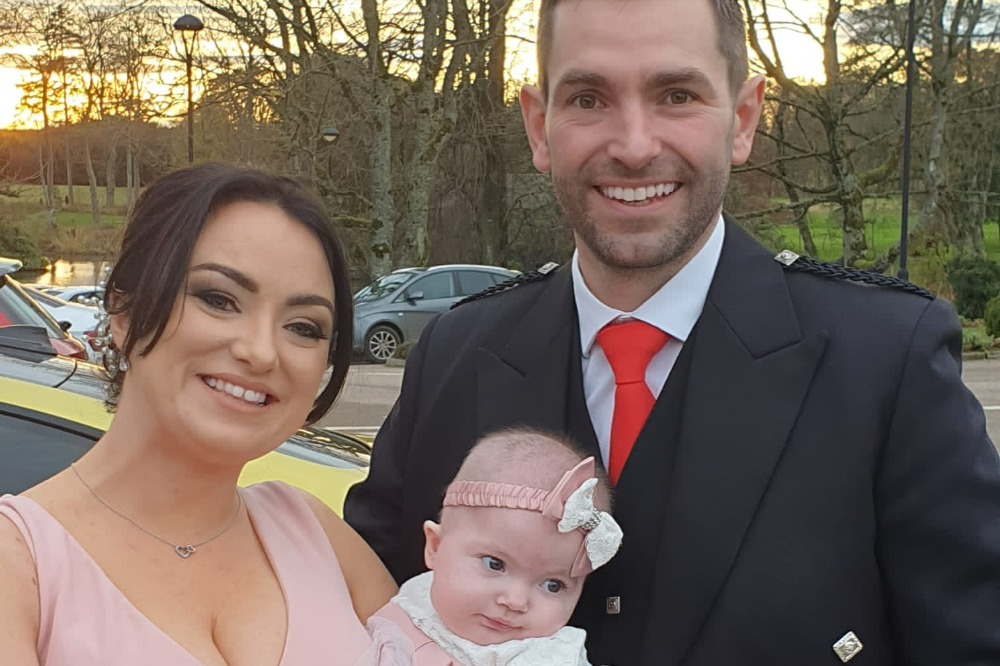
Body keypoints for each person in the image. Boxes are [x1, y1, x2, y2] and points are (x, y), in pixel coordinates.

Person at [343, 0, 1000, 663]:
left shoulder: (887, 363)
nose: (633, 146)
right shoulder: (453, 359)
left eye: (677, 95)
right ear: (539, 127)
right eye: (589, 97)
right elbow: (349, 616)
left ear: (742, 120)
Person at [0, 163, 397, 665]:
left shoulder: (315, 533)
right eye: (218, 299)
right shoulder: (19, 565)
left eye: (303, 327)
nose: (261, 352)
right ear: (122, 311)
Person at [363, 428, 622, 665]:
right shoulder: (406, 613)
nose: (515, 601)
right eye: (495, 564)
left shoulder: (548, 656)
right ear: (436, 546)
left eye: (553, 585)